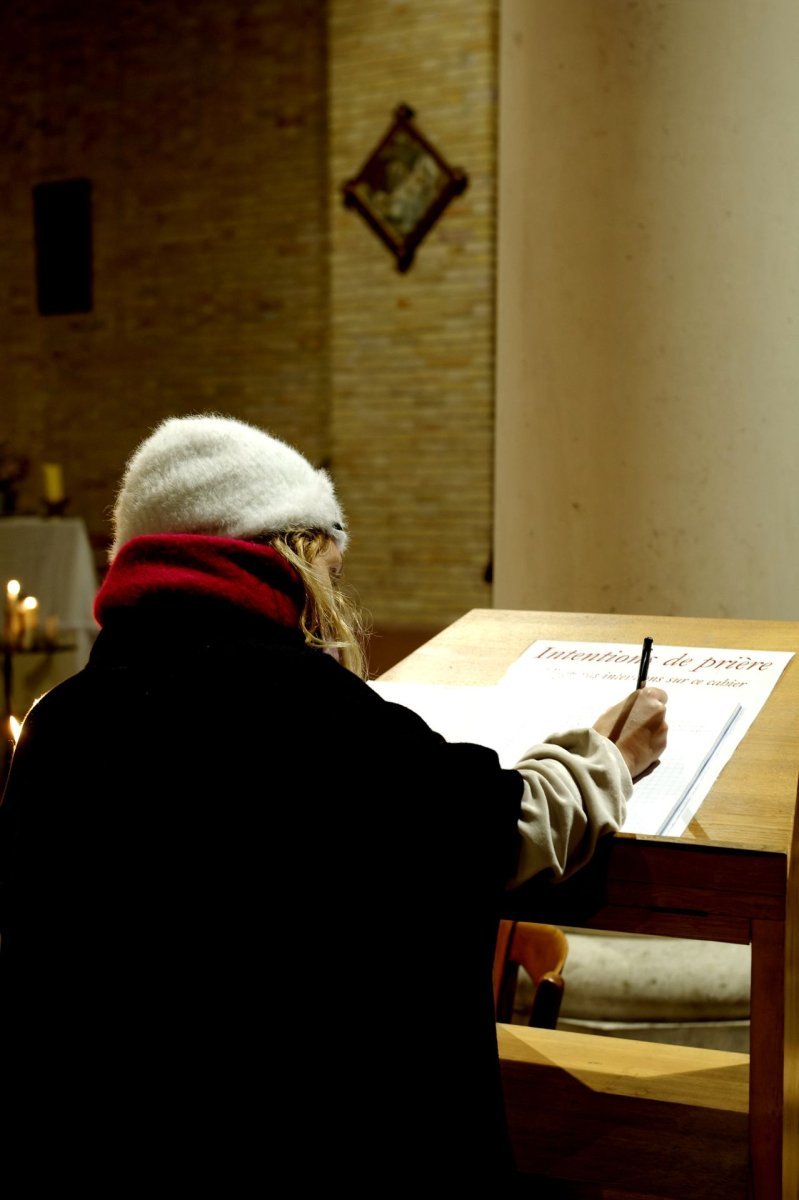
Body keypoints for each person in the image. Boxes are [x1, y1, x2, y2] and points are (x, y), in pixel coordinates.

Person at [0, 414, 667, 1189]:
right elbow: (504, 830)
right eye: (330, 570)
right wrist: (609, 757)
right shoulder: (304, 711)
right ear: (291, 554)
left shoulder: (60, 722)